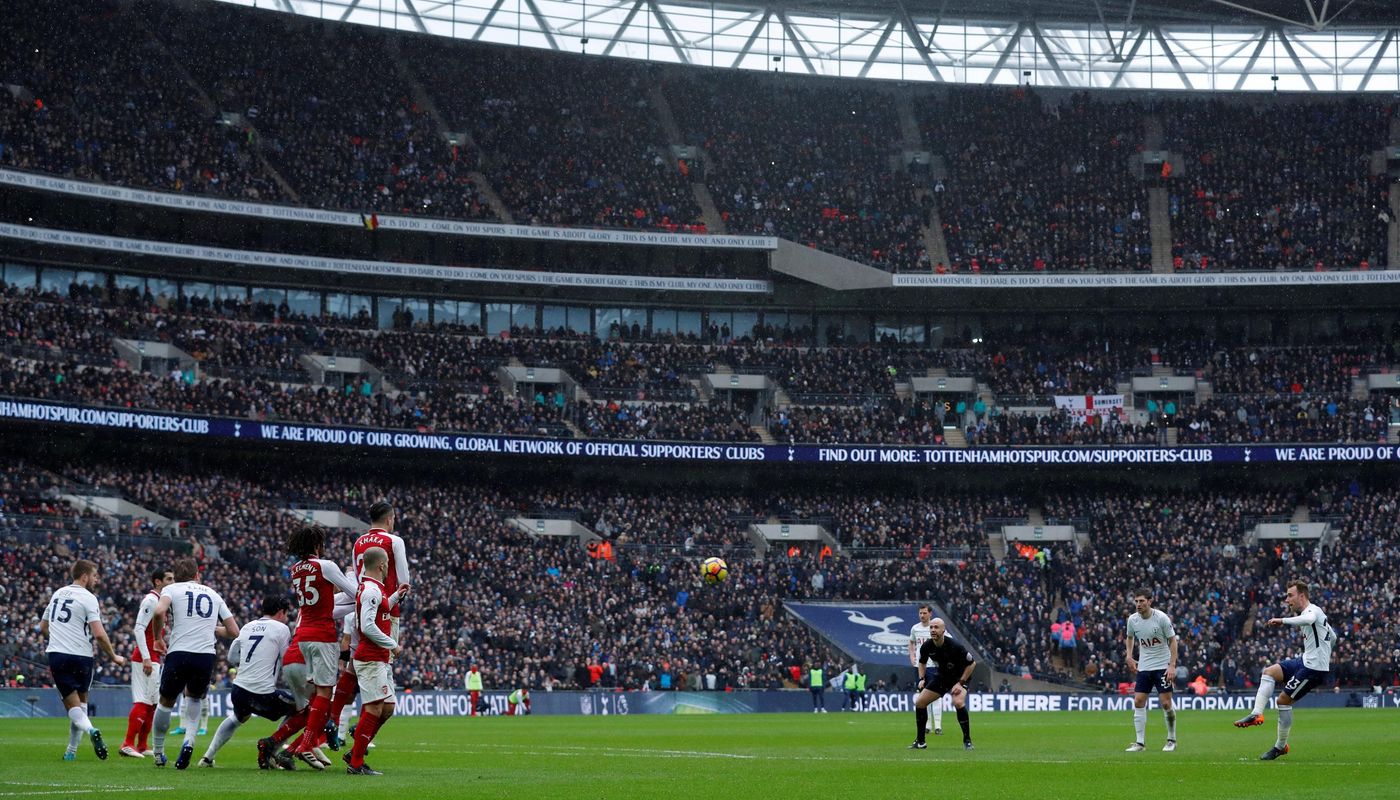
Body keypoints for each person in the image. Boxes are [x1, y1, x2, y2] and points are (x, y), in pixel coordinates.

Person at [148, 557, 239, 770]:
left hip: (179, 652)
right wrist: (210, 627)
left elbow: (159, 611)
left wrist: (157, 638)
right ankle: (189, 741)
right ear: (197, 575)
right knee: (195, 698)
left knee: (166, 701)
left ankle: (159, 752)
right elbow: (234, 631)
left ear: (176, 576)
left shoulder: (172, 590)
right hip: (204, 655)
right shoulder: (213, 593)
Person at [1233, 580, 1336, 761]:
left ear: (1301, 596)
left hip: (1313, 668)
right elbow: (1332, 636)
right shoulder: (1315, 613)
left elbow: (1309, 619)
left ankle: (1280, 746)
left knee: (1283, 701)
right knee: (1269, 672)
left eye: (1290, 595)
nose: (1287, 600)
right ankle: (1256, 713)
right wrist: (1324, 652)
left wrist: (1282, 621)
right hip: (1305, 660)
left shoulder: (1312, 611)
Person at [283, 526, 358, 769]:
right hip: (322, 636)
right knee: (326, 693)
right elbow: (354, 593)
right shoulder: (326, 565)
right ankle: (306, 745)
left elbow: (325, 604)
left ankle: (305, 744)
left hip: (303, 636)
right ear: (317, 544)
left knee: (317, 696)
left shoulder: (295, 570)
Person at [200, 595, 302, 768]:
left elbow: (232, 657)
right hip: (263, 693)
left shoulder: (247, 626)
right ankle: (271, 751)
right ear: (281, 612)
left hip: (239, 689)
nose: (286, 617)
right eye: (286, 614)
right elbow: (287, 660)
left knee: (238, 718)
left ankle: (207, 757)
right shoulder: (282, 628)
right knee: (300, 710)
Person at [42, 559, 126, 761]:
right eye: (95, 576)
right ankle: (71, 750)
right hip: (83, 656)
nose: (97, 580)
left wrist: (58, 638)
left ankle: (89, 732)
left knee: (72, 707)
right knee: (82, 705)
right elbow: (98, 633)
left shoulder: (57, 594)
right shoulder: (89, 598)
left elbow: (43, 627)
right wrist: (113, 656)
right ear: (84, 576)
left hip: (59, 654)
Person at [347, 546, 408, 775]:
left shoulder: (376, 589)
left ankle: (356, 752)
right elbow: (367, 626)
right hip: (371, 657)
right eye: (387, 565)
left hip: (379, 658)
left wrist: (395, 596)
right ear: (382, 565)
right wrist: (393, 644)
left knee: (387, 707)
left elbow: (381, 611)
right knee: (374, 708)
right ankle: (356, 762)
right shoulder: (371, 590)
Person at [120, 566, 172, 758]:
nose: (172, 583)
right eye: (168, 579)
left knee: (152, 703)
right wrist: (147, 657)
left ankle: (141, 745)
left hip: (153, 656)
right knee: (143, 701)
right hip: (145, 659)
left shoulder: (161, 602)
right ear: (158, 582)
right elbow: (138, 628)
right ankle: (127, 743)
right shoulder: (150, 600)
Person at [1124, 589, 1179, 752]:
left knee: (1166, 703)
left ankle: (1171, 740)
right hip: (1145, 665)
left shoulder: (1161, 618)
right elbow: (1129, 637)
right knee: (1138, 701)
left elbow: (1173, 641)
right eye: (1136, 602)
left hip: (1162, 665)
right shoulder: (1132, 620)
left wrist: (1172, 665)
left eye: (1141, 601)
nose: (1138, 605)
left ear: (1150, 601)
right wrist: (1129, 656)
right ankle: (1140, 743)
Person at [909, 619, 975, 751]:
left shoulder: (955, 646)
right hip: (943, 676)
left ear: (943, 630)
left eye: (936, 627)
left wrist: (960, 683)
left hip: (960, 677)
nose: (933, 630)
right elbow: (921, 662)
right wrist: (922, 678)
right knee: (920, 702)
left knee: (958, 702)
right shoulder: (927, 646)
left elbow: (972, 664)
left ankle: (967, 740)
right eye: (931, 627)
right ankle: (920, 742)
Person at [908, 605, 942, 734]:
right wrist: (912, 656)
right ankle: (928, 725)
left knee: (936, 696)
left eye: (924, 613)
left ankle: (938, 725)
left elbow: (947, 640)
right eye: (920, 613)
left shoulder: (935, 628)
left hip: (934, 666)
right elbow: (911, 642)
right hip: (919, 667)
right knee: (923, 695)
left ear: (930, 614)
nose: (922, 615)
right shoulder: (915, 628)